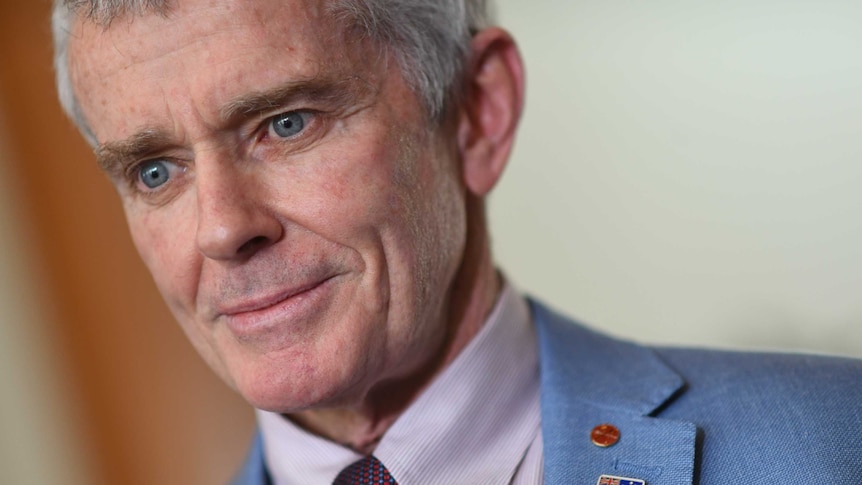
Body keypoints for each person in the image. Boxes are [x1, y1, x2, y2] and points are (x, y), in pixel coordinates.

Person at [52, 0, 862, 484]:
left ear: (478, 111)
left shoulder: (834, 440)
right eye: (155, 171)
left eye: (285, 124)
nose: (224, 228)